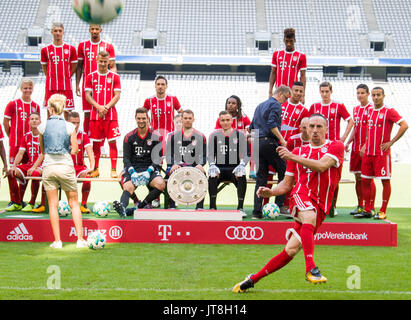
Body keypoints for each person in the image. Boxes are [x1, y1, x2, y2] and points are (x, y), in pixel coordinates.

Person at [232, 114, 345, 292]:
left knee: (291, 250)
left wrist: (292, 157)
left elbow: (322, 166)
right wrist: (271, 192)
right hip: (301, 195)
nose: (315, 130)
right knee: (308, 215)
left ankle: (252, 279)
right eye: (311, 127)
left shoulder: (335, 146)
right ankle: (311, 269)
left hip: (321, 204)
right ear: (306, 130)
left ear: (326, 128)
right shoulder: (298, 152)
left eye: (318, 126)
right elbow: (287, 184)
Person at [33, 94, 87, 249]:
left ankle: (57, 241)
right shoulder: (70, 127)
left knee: (52, 205)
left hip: (49, 167)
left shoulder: (42, 127)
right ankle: (80, 239)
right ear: (63, 109)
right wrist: (68, 150)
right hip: (66, 166)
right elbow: (75, 149)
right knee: (74, 204)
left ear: (50, 109)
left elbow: (42, 150)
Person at [354, 87, 408, 220]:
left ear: (384, 96)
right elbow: (369, 131)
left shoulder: (389, 111)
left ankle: (383, 211)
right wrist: (365, 145)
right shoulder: (369, 111)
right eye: (373, 95)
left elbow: (404, 125)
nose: (376, 97)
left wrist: (391, 142)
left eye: (378, 95)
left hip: (381, 154)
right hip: (368, 153)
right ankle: (368, 209)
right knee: (365, 180)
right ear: (371, 96)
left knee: (385, 181)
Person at [308, 81, 354, 216]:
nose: (324, 94)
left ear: (331, 91)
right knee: (315, 176)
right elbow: (307, 124)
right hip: (317, 147)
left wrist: (343, 138)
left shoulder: (338, 106)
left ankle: (332, 206)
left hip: (334, 148)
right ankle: (316, 204)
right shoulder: (314, 106)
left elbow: (351, 120)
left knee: (334, 179)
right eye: (322, 91)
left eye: (326, 91)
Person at [113, 108, 165, 218]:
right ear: (135, 119)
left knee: (161, 184)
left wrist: (149, 171)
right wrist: (132, 172)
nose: (141, 121)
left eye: (144, 118)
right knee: (127, 186)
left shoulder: (156, 136)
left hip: (149, 168)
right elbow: (126, 159)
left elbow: (157, 159)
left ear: (148, 119)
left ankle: (140, 206)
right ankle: (122, 207)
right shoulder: (129, 137)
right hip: (134, 168)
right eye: (139, 118)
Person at [249, 85, 290, 219]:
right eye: (285, 98)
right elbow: (272, 124)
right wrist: (282, 140)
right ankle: (279, 205)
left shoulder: (259, 106)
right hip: (269, 142)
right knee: (284, 171)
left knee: (261, 177)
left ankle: (256, 211)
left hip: (257, 143)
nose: (285, 102)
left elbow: (251, 128)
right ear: (280, 94)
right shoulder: (276, 105)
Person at [3, 78, 41, 211]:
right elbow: (5, 123)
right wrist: (12, 136)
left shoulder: (35, 106)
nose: (27, 90)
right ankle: (15, 200)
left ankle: (21, 200)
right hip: (15, 144)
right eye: (25, 88)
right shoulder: (12, 104)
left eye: (30, 88)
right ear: (21, 89)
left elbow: (38, 125)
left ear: (33, 89)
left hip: (31, 146)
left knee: (30, 171)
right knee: (12, 171)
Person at [85, 50, 121, 178]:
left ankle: (113, 169)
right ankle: (95, 168)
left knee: (112, 142)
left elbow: (117, 96)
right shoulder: (90, 76)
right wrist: (98, 107)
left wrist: (105, 107)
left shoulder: (115, 77)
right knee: (96, 144)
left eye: (105, 62)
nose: (102, 64)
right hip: (95, 116)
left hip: (111, 116)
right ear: (96, 60)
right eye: (100, 61)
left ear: (109, 62)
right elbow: (87, 95)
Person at [76, 24, 116, 136]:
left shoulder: (108, 46)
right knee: (87, 114)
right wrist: (77, 84)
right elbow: (79, 66)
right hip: (87, 85)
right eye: (92, 29)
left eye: (97, 29)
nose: (94, 31)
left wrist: (113, 81)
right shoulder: (82, 46)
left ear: (100, 30)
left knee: (102, 113)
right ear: (89, 30)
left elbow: (112, 65)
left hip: (103, 86)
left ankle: (101, 143)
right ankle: (87, 139)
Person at [208, 111, 249, 216]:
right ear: (219, 121)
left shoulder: (239, 135)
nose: (225, 122)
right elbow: (211, 154)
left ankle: (240, 208)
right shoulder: (214, 135)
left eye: (227, 120)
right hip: (219, 168)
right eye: (223, 120)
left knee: (241, 175)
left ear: (232, 121)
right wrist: (212, 165)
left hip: (234, 168)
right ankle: (212, 207)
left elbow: (247, 154)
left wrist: (242, 165)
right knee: (212, 174)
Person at [166, 109, 207, 209]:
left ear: (193, 119)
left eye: (190, 118)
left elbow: (204, 155)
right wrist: (173, 164)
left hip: (194, 167)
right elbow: (169, 154)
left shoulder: (200, 136)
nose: (187, 120)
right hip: (178, 166)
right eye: (185, 118)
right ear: (181, 119)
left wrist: (200, 164)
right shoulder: (173, 136)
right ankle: (172, 205)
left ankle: (199, 206)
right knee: (172, 173)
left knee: (203, 175)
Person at [345, 84, 376, 215]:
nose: (360, 95)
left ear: (368, 94)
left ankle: (371, 207)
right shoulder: (356, 109)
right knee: (358, 177)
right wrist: (348, 142)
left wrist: (365, 145)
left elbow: (371, 129)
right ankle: (360, 205)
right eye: (358, 93)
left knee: (368, 178)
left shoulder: (372, 109)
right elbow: (356, 128)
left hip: (367, 149)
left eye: (362, 93)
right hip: (355, 149)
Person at [40, 22, 77, 120]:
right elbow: (45, 68)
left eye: (60, 31)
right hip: (51, 87)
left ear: (63, 32)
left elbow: (74, 66)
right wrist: (51, 77)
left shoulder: (71, 49)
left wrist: (67, 76)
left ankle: (68, 134)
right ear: (52, 32)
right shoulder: (45, 50)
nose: (57, 33)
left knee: (68, 112)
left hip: (66, 86)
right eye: (55, 31)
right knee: (50, 112)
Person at [10, 112, 44, 212]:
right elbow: (20, 153)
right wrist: (14, 165)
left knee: (34, 173)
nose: (34, 120)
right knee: (11, 172)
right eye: (32, 119)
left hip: (42, 165)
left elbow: (43, 154)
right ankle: (17, 202)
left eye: (36, 119)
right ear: (28, 122)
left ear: (40, 121)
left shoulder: (44, 135)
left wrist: (34, 167)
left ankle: (32, 203)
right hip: (30, 164)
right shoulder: (26, 136)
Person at [214, 95, 255, 178]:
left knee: (252, 139)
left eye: (233, 103)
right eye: (229, 103)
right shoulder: (221, 118)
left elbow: (251, 131)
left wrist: (247, 135)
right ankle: (216, 167)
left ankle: (251, 170)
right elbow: (216, 133)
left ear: (238, 105)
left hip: (239, 146)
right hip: (226, 145)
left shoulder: (243, 117)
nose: (230, 105)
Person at [269, 28, 306, 103]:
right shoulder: (277, 54)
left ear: (294, 40)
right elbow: (273, 72)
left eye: (291, 41)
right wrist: (270, 91)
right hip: (279, 92)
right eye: (287, 41)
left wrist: (303, 94)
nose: (288, 44)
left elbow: (302, 76)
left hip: (293, 93)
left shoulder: (301, 56)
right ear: (283, 40)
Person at [68, 112, 95, 213]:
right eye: (73, 123)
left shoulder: (83, 135)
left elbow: (90, 151)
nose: (75, 125)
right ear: (68, 122)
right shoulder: (63, 134)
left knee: (87, 176)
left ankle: (83, 204)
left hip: (79, 168)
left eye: (77, 123)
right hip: (66, 168)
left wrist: (92, 167)